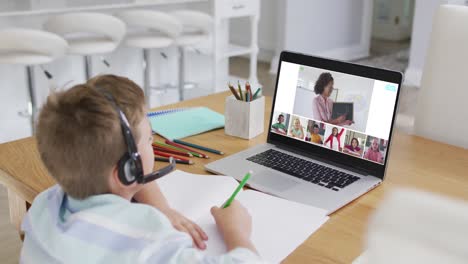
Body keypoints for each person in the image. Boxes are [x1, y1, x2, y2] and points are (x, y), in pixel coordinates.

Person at [20, 75, 260, 263]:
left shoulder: (45, 206)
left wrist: (162, 206)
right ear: (127, 169)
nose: (153, 140)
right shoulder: (147, 236)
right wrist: (236, 232)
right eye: (148, 138)